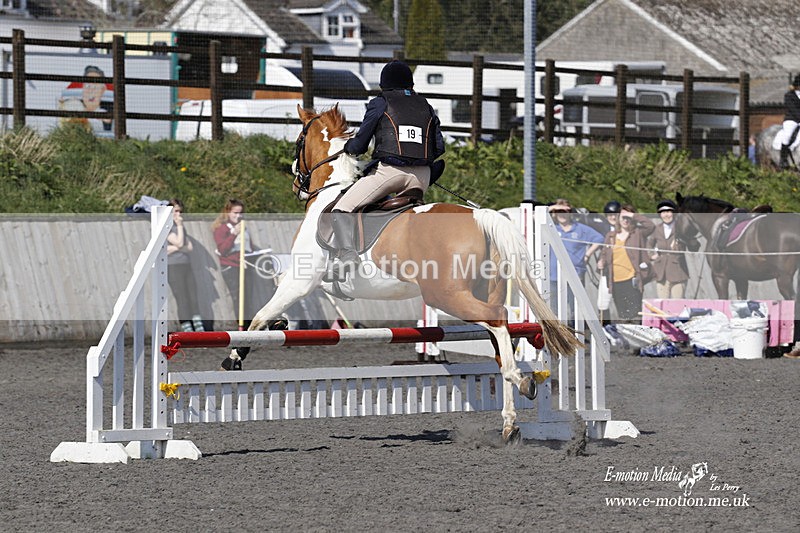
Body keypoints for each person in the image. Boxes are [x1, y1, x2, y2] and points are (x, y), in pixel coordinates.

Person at [329, 59, 446, 276]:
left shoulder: (381, 102)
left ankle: (347, 255)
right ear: (410, 84)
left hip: (390, 173)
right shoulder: (426, 105)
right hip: (422, 178)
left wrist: (350, 148)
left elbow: (361, 142)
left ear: (385, 84)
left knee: (342, 208)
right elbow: (439, 148)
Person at [212, 199, 275, 330]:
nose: (238, 216)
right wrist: (234, 234)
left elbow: (248, 247)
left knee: (248, 299)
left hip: (245, 266)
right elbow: (223, 249)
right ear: (228, 212)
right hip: (231, 267)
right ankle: (242, 326)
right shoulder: (221, 228)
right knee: (238, 298)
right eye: (235, 213)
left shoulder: (244, 227)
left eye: (241, 213)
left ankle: (249, 326)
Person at [597, 203, 655, 323]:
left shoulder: (637, 233)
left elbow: (650, 226)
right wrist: (601, 261)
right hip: (615, 281)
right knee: (623, 315)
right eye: (623, 217)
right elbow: (605, 253)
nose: (625, 220)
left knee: (635, 314)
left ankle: (637, 340)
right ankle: (626, 339)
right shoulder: (611, 236)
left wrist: (632, 215)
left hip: (632, 280)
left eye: (628, 217)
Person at [548, 199, 603, 319]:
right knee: (554, 308)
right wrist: (552, 208)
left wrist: (588, 254)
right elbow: (534, 218)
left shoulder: (580, 229)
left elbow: (599, 239)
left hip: (575, 274)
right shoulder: (551, 227)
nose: (562, 214)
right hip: (554, 275)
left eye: (565, 211)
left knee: (575, 307)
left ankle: (576, 333)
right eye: (559, 211)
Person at [167, 199, 205, 332]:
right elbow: (179, 242)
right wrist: (179, 227)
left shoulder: (181, 228)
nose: (179, 214)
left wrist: (176, 247)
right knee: (182, 298)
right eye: (176, 211)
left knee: (193, 296)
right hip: (173, 266)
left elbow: (189, 247)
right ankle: (187, 327)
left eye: (180, 211)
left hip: (185, 264)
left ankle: (198, 326)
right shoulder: (168, 227)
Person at [648, 200, 689, 299]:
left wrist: (680, 244)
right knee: (662, 304)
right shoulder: (657, 229)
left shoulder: (681, 228)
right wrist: (651, 256)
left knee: (677, 303)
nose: (666, 215)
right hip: (661, 272)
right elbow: (649, 245)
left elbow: (693, 245)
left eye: (669, 212)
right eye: (663, 212)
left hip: (678, 271)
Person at [778, 74, 800, 169]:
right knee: (787, 135)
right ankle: (783, 159)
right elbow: (793, 109)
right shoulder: (789, 95)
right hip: (792, 119)